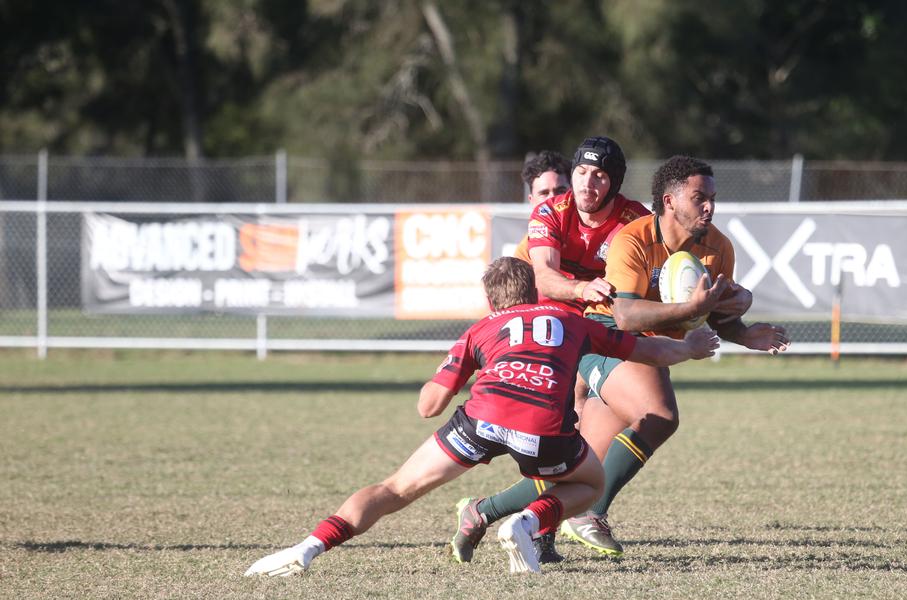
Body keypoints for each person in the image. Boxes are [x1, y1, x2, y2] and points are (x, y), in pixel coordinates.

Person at [245, 257, 720, 577]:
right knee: (589, 485)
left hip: (481, 417)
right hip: (543, 427)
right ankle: (528, 524)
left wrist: (447, 374)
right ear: (535, 290)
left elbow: (428, 406)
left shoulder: (480, 329)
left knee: (394, 489)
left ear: (492, 302)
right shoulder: (572, 321)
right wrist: (689, 346)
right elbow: (644, 348)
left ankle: (307, 548)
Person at [451, 155, 791, 562]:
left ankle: (482, 511)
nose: (709, 207)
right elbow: (626, 316)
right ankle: (589, 512)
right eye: (699, 198)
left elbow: (711, 313)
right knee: (660, 415)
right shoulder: (632, 239)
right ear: (669, 200)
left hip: (649, 350)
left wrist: (743, 332)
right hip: (604, 342)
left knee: (581, 466)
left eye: (713, 198)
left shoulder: (718, 247)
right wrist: (689, 312)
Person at [450, 136, 651, 564]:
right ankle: (568, 518)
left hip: (593, 332)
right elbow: (537, 289)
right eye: (549, 190)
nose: (566, 194)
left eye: (590, 177)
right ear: (532, 199)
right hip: (557, 342)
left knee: (577, 450)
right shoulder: (536, 239)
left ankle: (510, 518)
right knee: (576, 440)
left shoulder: (629, 219)